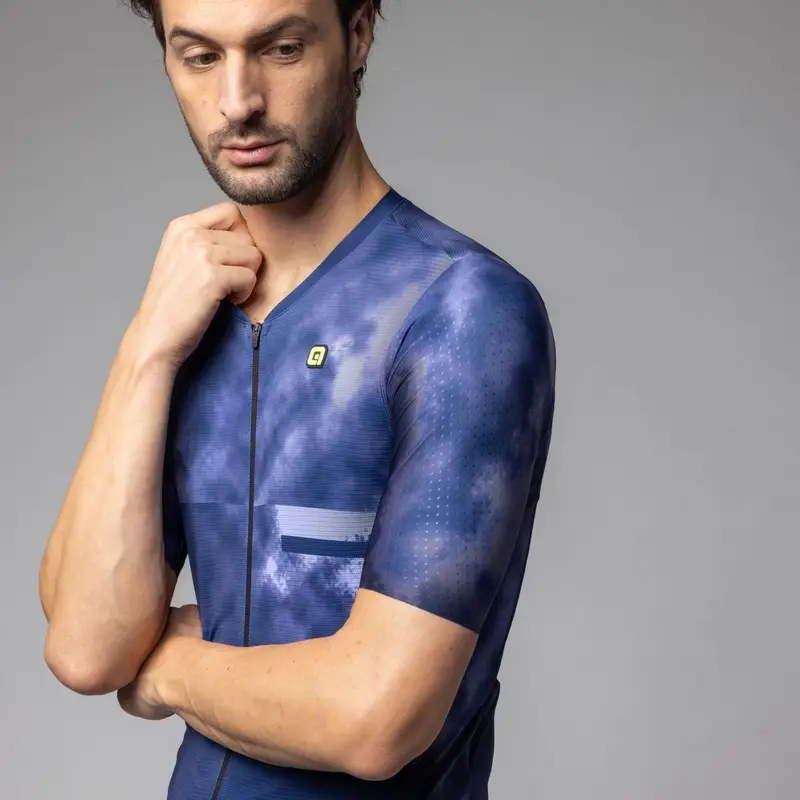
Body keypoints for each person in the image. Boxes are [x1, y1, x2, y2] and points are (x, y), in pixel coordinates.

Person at [37, 0, 557, 797]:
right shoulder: (188, 314)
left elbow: (376, 719)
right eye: (199, 56)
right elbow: (84, 648)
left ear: (358, 34)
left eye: (280, 48)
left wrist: (167, 668)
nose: (237, 101)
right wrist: (146, 346)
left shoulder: (461, 310)